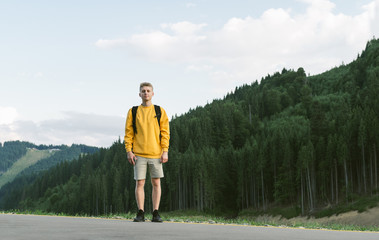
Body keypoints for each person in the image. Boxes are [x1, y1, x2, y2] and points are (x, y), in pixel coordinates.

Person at [124, 82, 170, 222]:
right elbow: (128, 133)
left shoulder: (159, 111)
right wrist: (129, 151)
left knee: (156, 183)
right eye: (143, 91)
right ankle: (140, 212)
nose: (146, 93)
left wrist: (165, 151)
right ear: (139, 94)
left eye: (148, 91)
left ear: (152, 93)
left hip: (156, 154)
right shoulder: (133, 111)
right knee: (140, 183)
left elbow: (165, 132)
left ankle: (155, 213)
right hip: (139, 154)